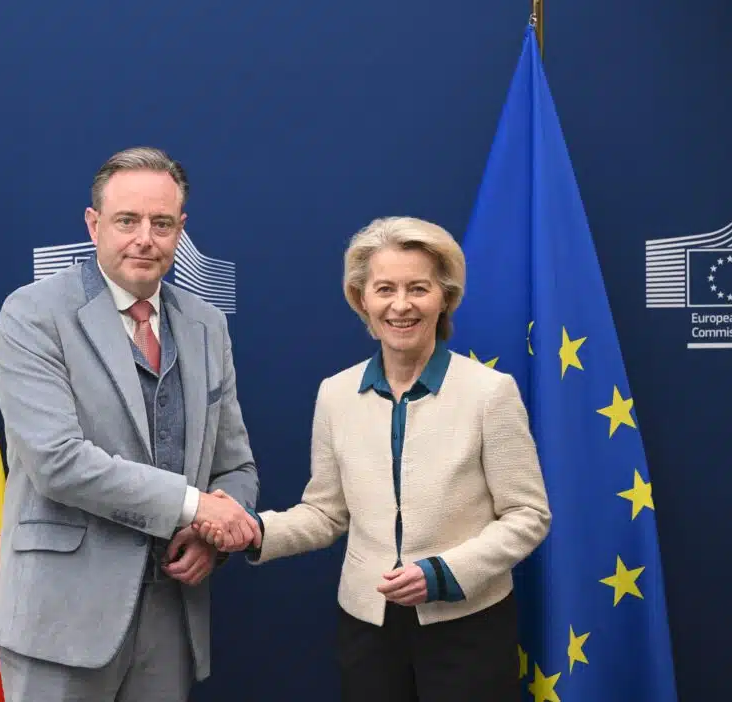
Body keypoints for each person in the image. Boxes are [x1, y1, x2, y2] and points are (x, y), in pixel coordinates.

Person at [197, 216, 551, 701]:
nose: (401, 305)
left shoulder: (490, 393)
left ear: (444, 297)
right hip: (368, 630)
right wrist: (257, 530)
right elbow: (326, 513)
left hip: (468, 628)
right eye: (385, 289)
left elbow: (528, 515)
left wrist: (445, 573)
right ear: (361, 298)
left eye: (418, 288)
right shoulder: (336, 394)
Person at [0, 146, 261, 702]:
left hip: (171, 617)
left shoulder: (207, 324)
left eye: (162, 224)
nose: (145, 239)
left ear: (181, 229)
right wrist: (194, 506)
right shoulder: (32, 314)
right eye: (127, 221)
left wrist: (213, 536)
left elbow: (236, 466)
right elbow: (57, 462)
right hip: (60, 620)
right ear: (94, 225)